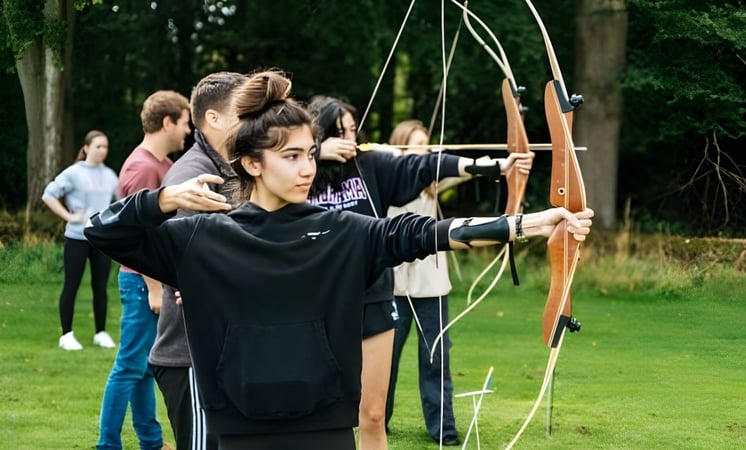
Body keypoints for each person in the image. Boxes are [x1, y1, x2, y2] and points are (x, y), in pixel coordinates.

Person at [83, 69, 594, 450]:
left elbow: (425, 233)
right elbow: (102, 230)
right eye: (291, 156)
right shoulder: (202, 237)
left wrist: (531, 223)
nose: (307, 168)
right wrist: (164, 201)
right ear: (252, 163)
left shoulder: (340, 230)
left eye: (310, 153)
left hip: (326, 427)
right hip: (235, 427)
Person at [306, 96, 534, 450]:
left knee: (375, 412)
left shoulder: (371, 165)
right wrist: (313, 154)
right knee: (321, 392)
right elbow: (255, 167)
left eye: (352, 130)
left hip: (374, 291)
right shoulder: (300, 172)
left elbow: (429, 166)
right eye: (337, 133)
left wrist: (498, 167)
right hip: (320, 294)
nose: (348, 139)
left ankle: (441, 429)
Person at [149, 71, 247, 450]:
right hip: (190, 357)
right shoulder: (194, 176)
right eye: (245, 112)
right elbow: (189, 268)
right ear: (213, 118)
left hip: (223, 353)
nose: (255, 121)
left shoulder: (231, 169)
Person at [96, 90, 191, 450]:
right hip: (141, 282)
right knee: (129, 367)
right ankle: (107, 444)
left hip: (153, 281)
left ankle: (150, 440)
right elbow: (136, 233)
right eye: (184, 123)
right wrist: (154, 288)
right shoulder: (142, 167)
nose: (188, 131)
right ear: (167, 123)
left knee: (144, 367)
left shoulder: (165, 165)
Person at [383, 120, 467, 445]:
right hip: (392, 287)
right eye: (418, 145)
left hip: (431, 288)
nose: (426, 151)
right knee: (384, 360)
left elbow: (466, 169)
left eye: (428, 146)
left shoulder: (432, 182)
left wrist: (510, 161)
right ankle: (377, 420)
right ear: (401, 147)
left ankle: (443, 430)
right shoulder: (384, 177)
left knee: (436, 359)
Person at [42, 130, 118, 351]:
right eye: (98, 146)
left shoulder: (111, 176)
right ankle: (66, 335)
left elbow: (119, 203)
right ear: (86, 148)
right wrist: (68, 216)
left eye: (105, 147)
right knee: (71, 285)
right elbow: (48, 195)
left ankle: (101, 333)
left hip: (101, 239)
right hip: (77, 237)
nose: (102, 151)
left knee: (100, 286)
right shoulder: (73, 173)